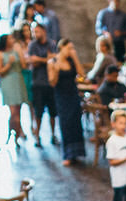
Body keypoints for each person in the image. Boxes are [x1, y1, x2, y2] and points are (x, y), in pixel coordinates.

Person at [50, 36, 85, 164]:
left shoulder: (71, 61)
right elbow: (52, 83)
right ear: (61, 47)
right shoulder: (52, 62)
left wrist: (75, 58)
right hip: (62, 96)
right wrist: (56, 70)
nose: (71, 50)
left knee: (76, 122)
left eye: (72, 48)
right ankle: (67, 154)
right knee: (65, 123)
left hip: (73, 94)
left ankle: (77, 152)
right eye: (69, 48)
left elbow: (82, 75)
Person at [23, 21, 55, 147]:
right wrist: (46, 60)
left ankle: (53, 135)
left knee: (53, 112)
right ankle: (38, 137)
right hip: (37, 83)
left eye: (36, 31)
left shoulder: (51, 44)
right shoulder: (32, 45)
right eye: (33, 32)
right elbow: (32, 62)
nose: (34, 34)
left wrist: (40, 60)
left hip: (50, 83)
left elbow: (54, 59)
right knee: (38, 112)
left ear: (43, 31)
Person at [0, 32, 28, 142]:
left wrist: (20, 52)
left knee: (19, 110)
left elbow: (24, 65)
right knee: (13, 112)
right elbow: (0, 73)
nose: (12, 40)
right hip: (8, 82)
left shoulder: (16, 50)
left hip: (18, 80)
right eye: (10, 38)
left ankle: (18, 132)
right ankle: (12, 134)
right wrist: (9, 63)